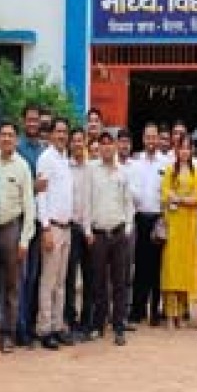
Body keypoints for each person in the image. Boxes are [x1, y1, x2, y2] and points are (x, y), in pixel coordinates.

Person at [0, 121, 34, 354]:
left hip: (11, 229)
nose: (6, 138)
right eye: (3, 134)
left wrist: (24, 240)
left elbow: (29, 206)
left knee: (12, 284)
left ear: (16, 140)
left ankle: (8, 333)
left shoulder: (22, 166)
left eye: (10, 135)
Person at [84, 132, 134, 346]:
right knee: (98, 281)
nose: (106, 147)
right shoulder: (91, 170)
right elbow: (86, 201)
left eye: (109, 144)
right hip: (98, 234)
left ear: (115, 147)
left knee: (119, 281)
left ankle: (119, 326)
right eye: (102, 144)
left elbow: (128, 202)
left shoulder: (123, 172)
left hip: (119, 232)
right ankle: (98, 323)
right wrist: (87, 229)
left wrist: (128, 228)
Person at [35, 117, 74, 349]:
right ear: (50, 135)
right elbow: (41, 195)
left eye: (65, 132)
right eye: (58, 131)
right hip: (53, 228)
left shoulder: (65, 159)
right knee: (48, 281)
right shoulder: (46, 159)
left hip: (66, 228)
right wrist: (46, 227)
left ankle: (58, 325)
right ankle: (44, 328)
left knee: (61, 282)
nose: (62, 135)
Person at [159, 138, 197, 329]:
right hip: (173, 224)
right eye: (181, 148)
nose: (185, 151)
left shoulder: (196, 171)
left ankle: (182, 313)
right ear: (176, 150)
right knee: (171, 268)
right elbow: (164, 193)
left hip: (189, 226)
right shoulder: (170, 170)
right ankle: (170, 313)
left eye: (188, 148)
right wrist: (180, 199)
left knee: (185, 268)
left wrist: (179, 199)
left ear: (192, 150)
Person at [129, 123, 169, 325]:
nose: (151, 141)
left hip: (159, 219)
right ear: (143, 139)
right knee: (141, 266)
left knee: (157, 267)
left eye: (154, 137)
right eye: (148, 137)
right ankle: (138, 309)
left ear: (158, 139)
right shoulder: (136, 162)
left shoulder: (167, 163)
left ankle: (155, 311)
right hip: (141, 218)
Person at [16, 105, 46, 346]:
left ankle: (31, 324)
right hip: (21, 220)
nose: (33, 123)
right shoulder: (17, 151)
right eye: (30, 119)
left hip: (39, 219)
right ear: (23, 121)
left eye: (36, 120)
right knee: (22, 276)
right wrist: (32, 188)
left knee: (35, 275)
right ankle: (20, 327)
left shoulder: (44, 151)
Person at [64, 128, 94, 340]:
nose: (77, 144)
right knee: (69, 277)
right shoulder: (65, 167)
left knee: (90, 276)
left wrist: (89, 228)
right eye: (73, 140)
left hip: (89, 229)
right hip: (71, 227)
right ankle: (70, 319)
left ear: (85, 143)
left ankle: (87, 321)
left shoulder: (92, 168)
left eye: (80, 140)